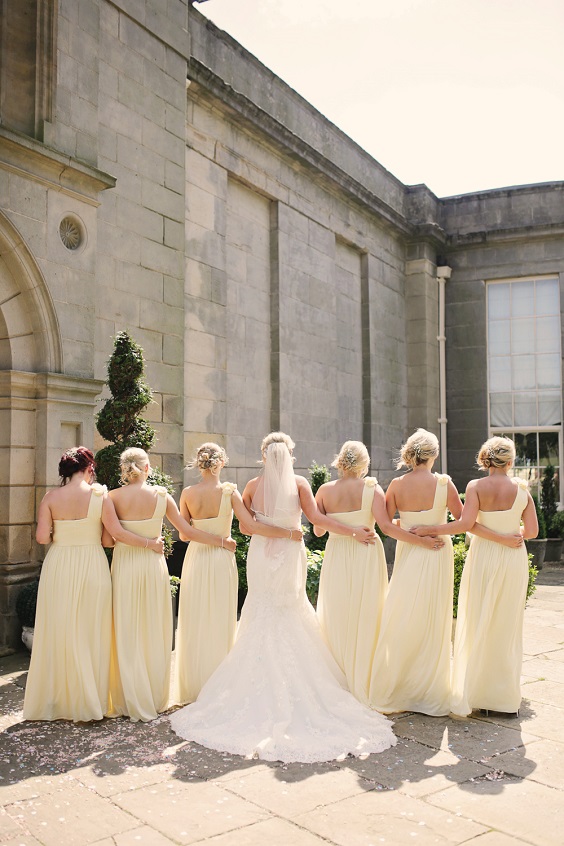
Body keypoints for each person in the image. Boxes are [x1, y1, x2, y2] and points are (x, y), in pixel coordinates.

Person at [169, 432, 397, 763]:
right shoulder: (301, 485)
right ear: (289, 455)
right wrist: (348, 531)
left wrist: (278, 531)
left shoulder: (250, 487)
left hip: (262, 554)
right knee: (289, 607)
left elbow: (246, 528)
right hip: (290, 553)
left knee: (263, 608)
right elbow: (316, 521)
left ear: (264, 456)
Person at [23, 447, 164, 722]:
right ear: (89, 469)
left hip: (60, 565)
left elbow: (42, 538)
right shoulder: (99, 496)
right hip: (92, 565)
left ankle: (59, 700)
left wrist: (61, 531)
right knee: (92, 632)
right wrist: (150, 544)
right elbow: (112, 537)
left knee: (60, 630)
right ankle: (90, 702)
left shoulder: (51, 497)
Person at [411, 436, 538, 716]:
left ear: (485, 459)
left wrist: (431, 530)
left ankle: (477, 695)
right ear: (510, 461)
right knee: (507, 624)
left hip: (483, 558)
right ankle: (504, 700)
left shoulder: (475, 486)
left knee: (478, 619)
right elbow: (532, 532)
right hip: (513, 560)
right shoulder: (522, 491)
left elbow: (465, 525)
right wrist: (509, 536)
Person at [107, 447, 234, 722]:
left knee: (127, 628)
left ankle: (128, 698)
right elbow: (185, 532)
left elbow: (109, 538)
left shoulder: (112, 497)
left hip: (126, 566)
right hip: (153, 567)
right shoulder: (161, 496)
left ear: (124, 470)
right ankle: (154, 699)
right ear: (148, 468)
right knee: (155, 628)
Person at [314, 440, 444, 705]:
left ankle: (337, 678)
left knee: (336, 611)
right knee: (367, 612)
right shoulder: (371, 489)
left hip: (338, 554)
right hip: (365, 555)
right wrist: (421, 540)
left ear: (340, 461)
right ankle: (365, 677)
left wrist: (340, 524)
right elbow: (385, 527)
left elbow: (318, 530)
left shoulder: (324, 491)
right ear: (364, 464)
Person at [174, 442, 301, 704]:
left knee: (195, 615)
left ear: (200, 464)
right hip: (222, 559)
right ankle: (218, 684)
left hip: (196, 558)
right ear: (222, 462)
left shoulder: (187, 493)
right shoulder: (229, 493)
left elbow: (183, 534)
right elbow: (251, 525)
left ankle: (193, 688)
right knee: (221, 616)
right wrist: (288, 533)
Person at [369, 429, 462, 716]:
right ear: (434, 454)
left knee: (404, 612)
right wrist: (433, 529)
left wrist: (414, 531)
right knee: (433, 615)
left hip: (409, 551)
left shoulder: (396, 484)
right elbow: (462, 521)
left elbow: (385, 525)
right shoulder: (445, 484)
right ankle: (429, 690)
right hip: (437, 551)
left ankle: (401, 685)